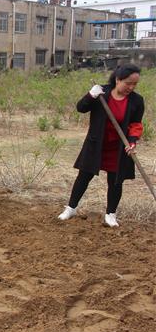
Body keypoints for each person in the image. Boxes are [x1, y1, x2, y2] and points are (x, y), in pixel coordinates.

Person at [58, 64, 144, 227]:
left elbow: (136, 124)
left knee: (116, 181)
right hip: (96, 144)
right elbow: (81, 108)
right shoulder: (101, 93)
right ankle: (71, 208)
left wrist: (132, 141)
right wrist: (91, 95)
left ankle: (111, 214)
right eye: (128, 83)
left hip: (118, 147)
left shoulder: (136, 101)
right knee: (84, 176)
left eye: (134, 84)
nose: (131, 87)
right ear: (118, 79)